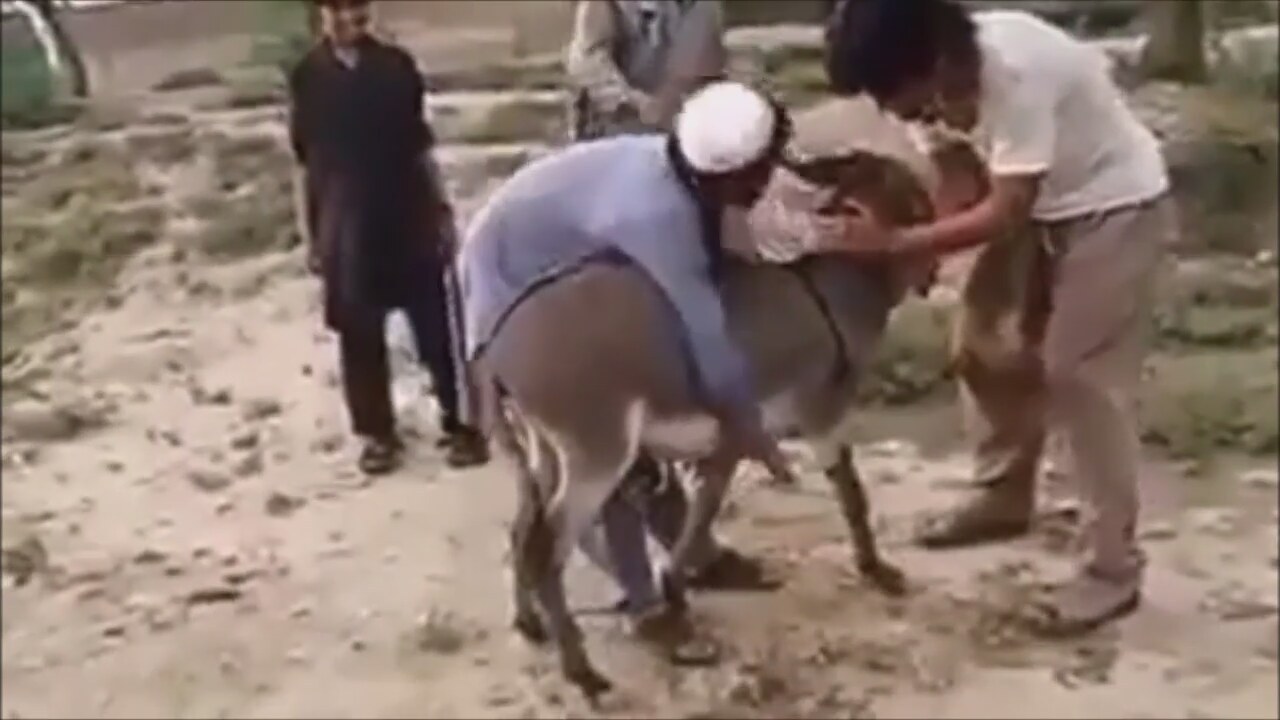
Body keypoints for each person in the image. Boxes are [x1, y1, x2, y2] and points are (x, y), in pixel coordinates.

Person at [824, 0, 1175, 635]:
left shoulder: (1016, 69)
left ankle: (1111, 569)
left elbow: (1009, 205)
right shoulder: (929, 94)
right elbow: (961, 176)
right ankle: (1003, 495)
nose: (889, 108)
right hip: (1039, 207)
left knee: (1079, 377)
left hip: (1114, 206)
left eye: (891, 91)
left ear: (934, 62)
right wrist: (930, 247)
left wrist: (897, 245)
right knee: (980, 341)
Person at [459, 81, 797, 650]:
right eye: (762, 172)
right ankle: (645, 605)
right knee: (609, 457)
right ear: (731, 173)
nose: (768, 182)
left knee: (625, 436)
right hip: (516, 280)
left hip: (554, 261)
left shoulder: (680, 167)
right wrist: (746, 423)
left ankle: (694, 555)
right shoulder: (659, 216)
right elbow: (705, 328)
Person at [287, 0, 489, 475]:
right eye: (337, 11)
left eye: (357, 9)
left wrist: (441, 210)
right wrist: (310, 232)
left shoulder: (395, 67)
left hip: (407, 210)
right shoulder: (308, 76)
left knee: (436, 326)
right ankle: (378, 434)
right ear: (321, 13)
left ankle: (461, 423)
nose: (349, 20)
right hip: (343, 219)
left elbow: (421, 147)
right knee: (358, 333)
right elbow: (303, 162)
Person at [566, 0, 726, 140]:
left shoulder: (699, 6)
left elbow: (696, 69)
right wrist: (632, 100)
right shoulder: (602, 5)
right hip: (617, 127)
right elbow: (589, 61)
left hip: (680, 127)